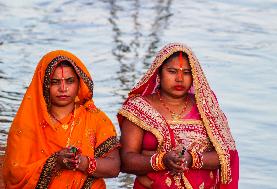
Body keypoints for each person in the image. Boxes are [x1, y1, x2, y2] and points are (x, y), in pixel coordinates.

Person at [118, 43, 239, 189]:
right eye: (172, 71)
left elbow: (225, 155)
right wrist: (162, 161)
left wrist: (193, 159)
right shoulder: (139, 108)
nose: (180, 78)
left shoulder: (206, 108)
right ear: (159, 73)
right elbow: (126, 160)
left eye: (187, 72)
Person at [3, 50, 120, 188]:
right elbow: (15, 174)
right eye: (55, 82)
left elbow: (114, 167)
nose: (63, 88)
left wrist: (81, 162)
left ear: (79, 83)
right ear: (44, 84)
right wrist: (54, 163)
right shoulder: (28, 123)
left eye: (70, 81)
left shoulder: (95, 118)